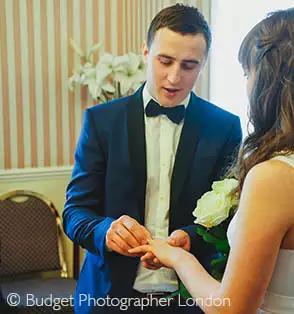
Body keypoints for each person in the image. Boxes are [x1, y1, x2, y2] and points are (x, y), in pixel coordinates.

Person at [130, 6, 294, 314]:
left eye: (248, 73)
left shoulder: (273, 177)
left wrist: (176, 256)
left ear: (271, 80)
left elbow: (230, 309)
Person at [63, 3, 242, 313]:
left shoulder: (225, 127)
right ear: (145, 51)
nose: (174, 77)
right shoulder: (101, 121)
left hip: (190, 299)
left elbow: (232, 218)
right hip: (109, 297)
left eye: (189, 65)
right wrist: (106, 232)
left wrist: (190, 237)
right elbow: (75, 212)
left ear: (204, 63)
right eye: (165, 61)